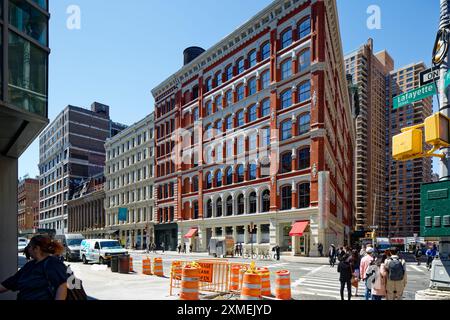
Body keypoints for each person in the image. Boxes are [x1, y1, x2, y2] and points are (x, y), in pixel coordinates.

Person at [0, 235, 68, 300]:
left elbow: (62, 285)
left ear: (36, 248)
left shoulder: (53, 263)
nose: (27, 249)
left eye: (29, 246)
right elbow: (12, 281)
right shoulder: (30, 265)